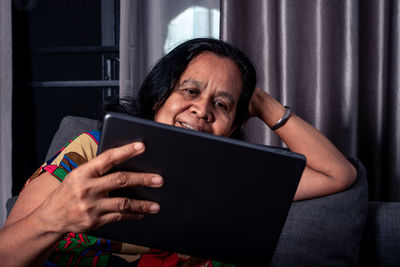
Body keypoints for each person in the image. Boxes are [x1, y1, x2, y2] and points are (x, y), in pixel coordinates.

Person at [0, 38, 356, 266]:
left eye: (221, 103)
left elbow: (337, 174)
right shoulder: (92, 150)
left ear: (233, 126)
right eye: (190, 91)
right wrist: (54, 218)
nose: (202, 109)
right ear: (159, 97)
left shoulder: (241, 177)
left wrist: (259, 100)